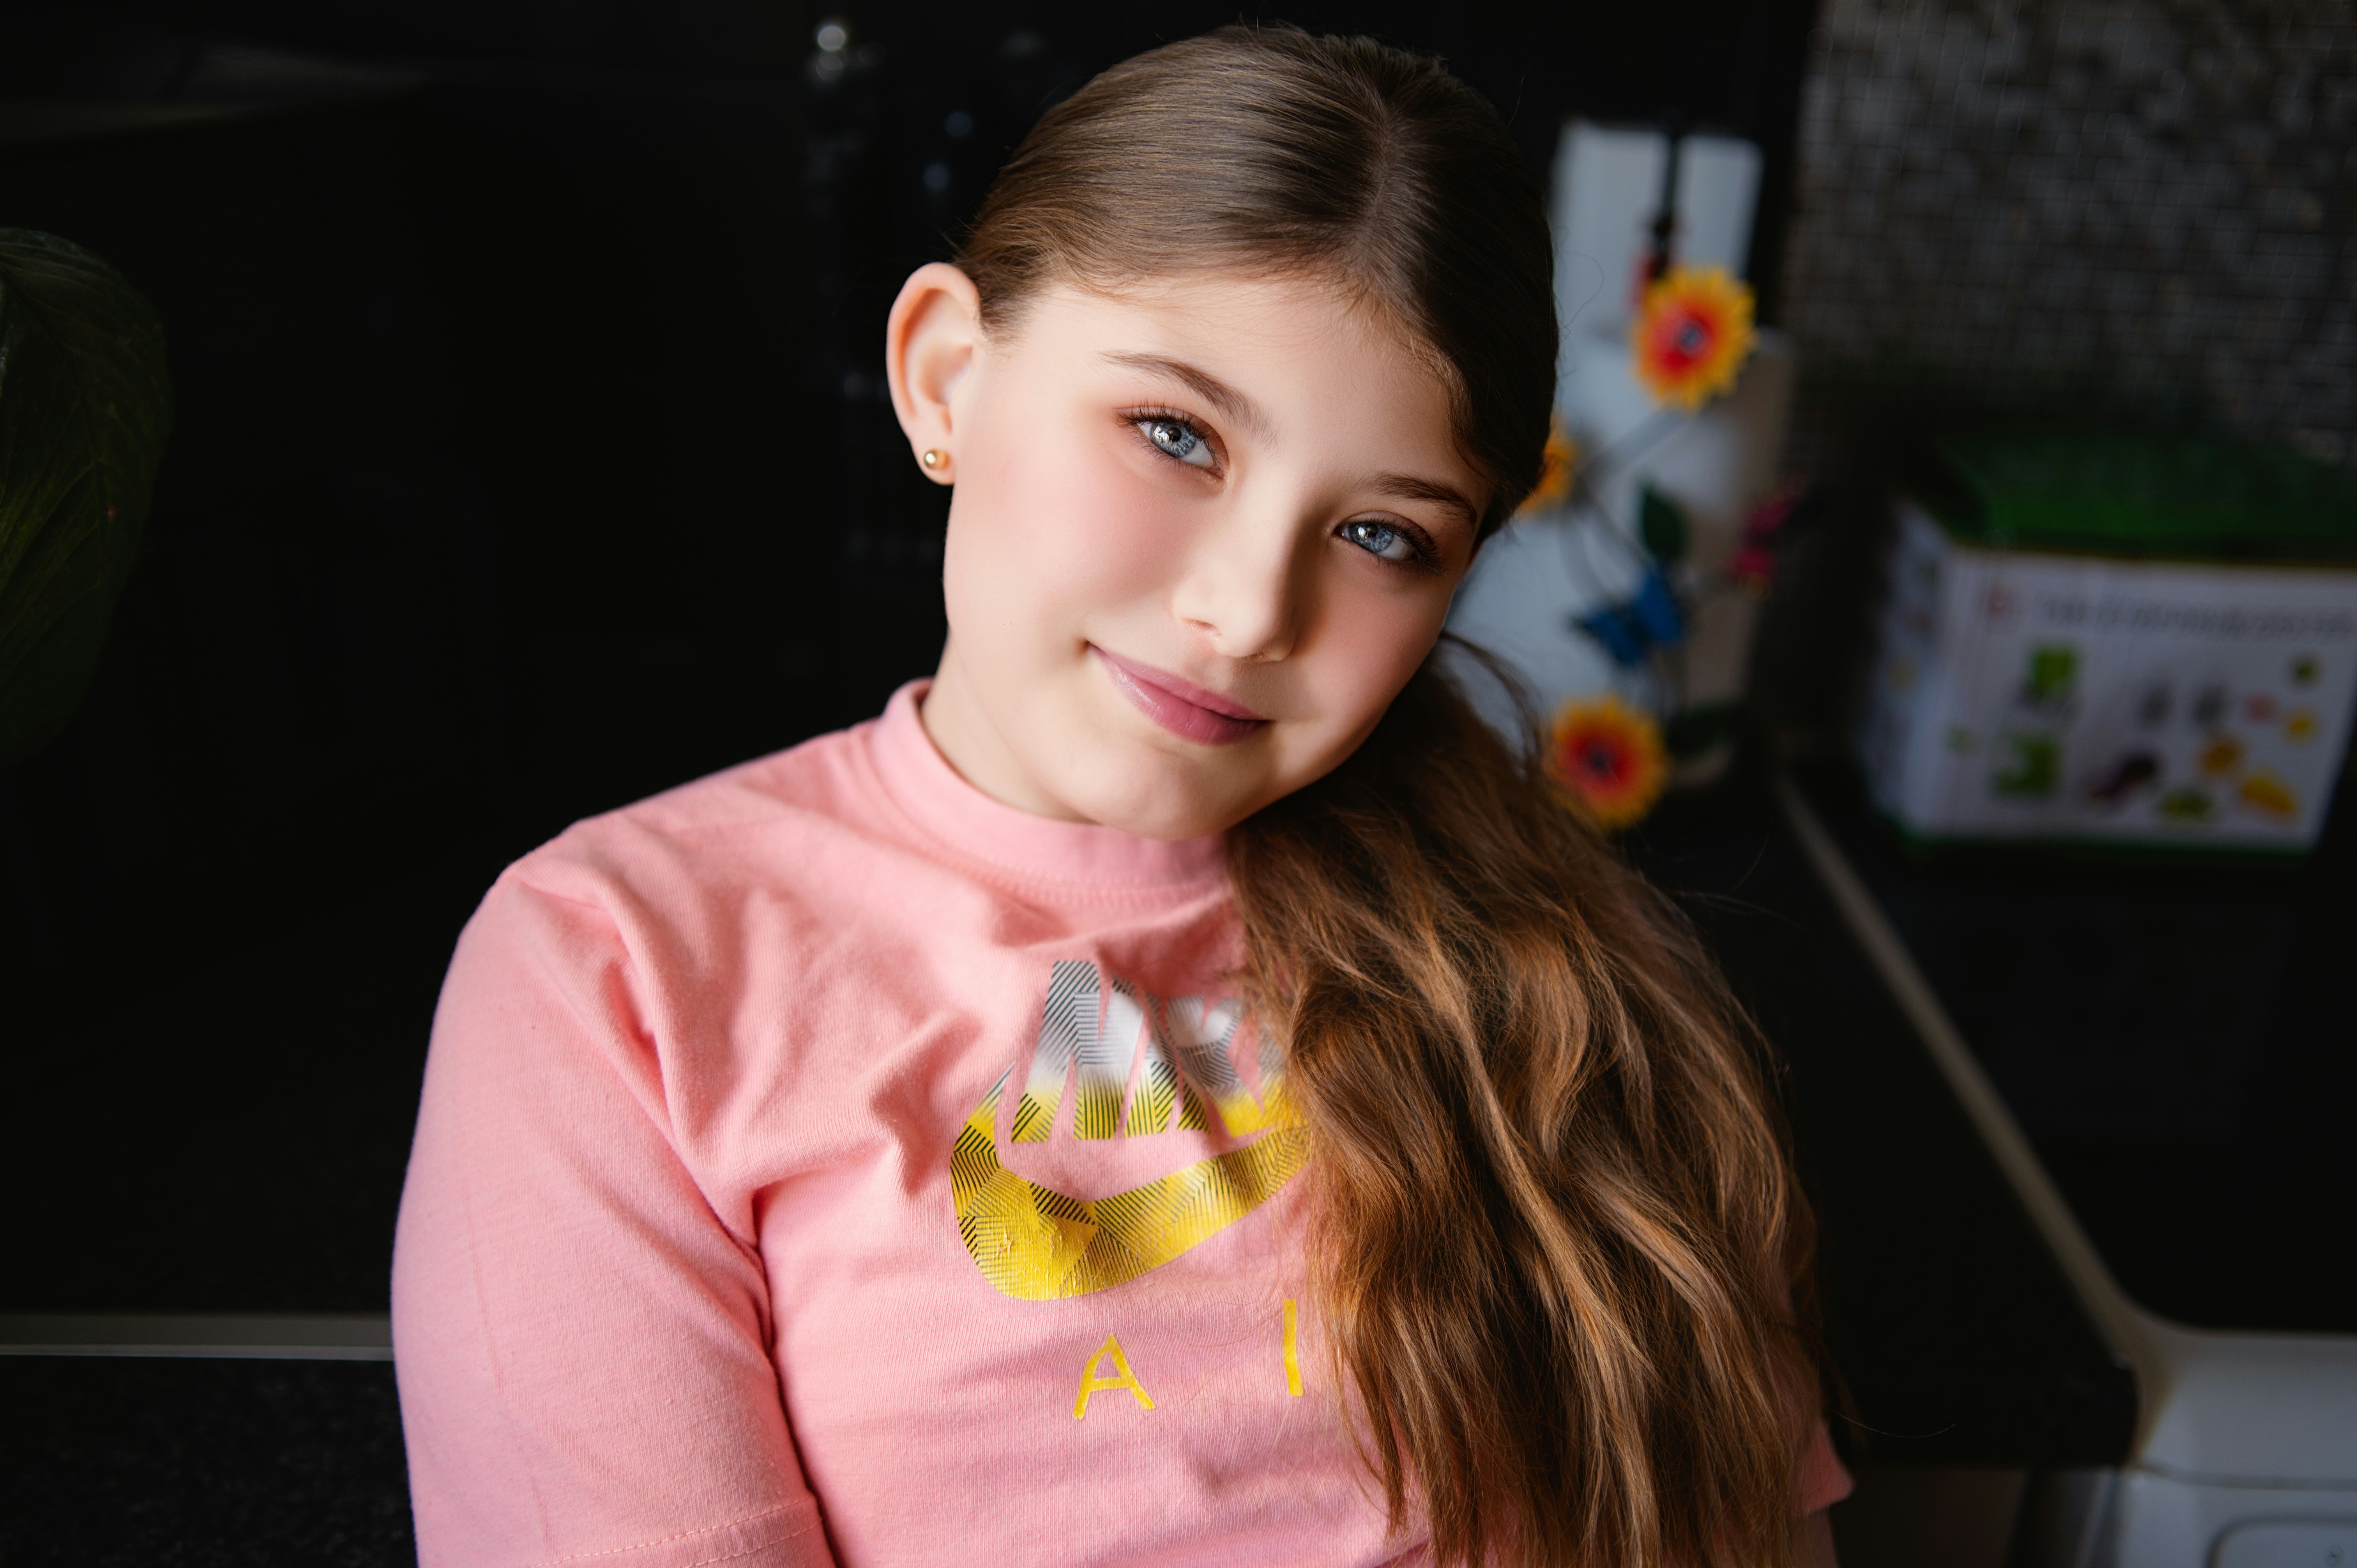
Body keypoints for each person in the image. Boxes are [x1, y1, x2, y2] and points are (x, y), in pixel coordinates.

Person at [392, 25, 1851, 1568]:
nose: (1245, 610)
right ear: (947, 376)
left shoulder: (1559, 975)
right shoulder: (617, 967)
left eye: (1381, 537)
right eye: (1177, 435)